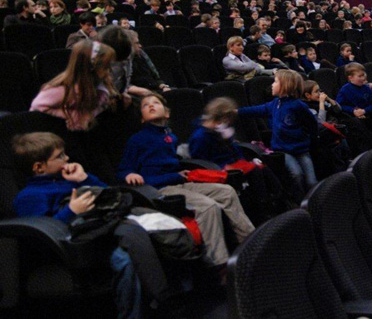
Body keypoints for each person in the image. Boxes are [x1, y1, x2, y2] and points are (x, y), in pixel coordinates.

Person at [11, 132, 160, 318]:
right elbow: (44, 232)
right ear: (39, 167)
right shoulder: (30, 196)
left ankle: (160, 302)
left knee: (146, 237)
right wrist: (71, 210)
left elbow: (108, 195)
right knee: (124, 259)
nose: (67, 158)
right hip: (73, 249)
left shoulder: (67, 180)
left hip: (100, 232)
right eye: (59, 156)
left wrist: (83, 178)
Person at [118, 93, 255, 268]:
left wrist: (179, 172)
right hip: (159, 188)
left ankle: (250, 243)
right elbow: (123, 169)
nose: (151, 105)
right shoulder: (137, 140)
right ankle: (219, 263)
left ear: (167, 113)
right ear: (142, 119)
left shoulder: (170, 137)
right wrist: (129, 174)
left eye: (156, 103)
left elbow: (173, 163)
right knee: (208, 207)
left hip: (179, 182)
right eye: (146, 105)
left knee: (227, 192)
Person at [188, 97, 287, 224]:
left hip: (233, 164)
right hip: (218, 169)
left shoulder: (221, 129)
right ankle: (263, 212)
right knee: (255, 172)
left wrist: (246, 160)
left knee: (263, 167)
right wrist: (223, 167)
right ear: (221, 117)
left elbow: (235, 151)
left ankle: (280, 202)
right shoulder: (200, 136)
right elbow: (202, 162)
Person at [238, 70, 318, 202]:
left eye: (275, 82)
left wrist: (309, 139)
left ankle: (315, 203)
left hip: (301, 150)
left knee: (312, 181)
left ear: (285, 85)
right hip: (283, 150)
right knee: (297, 174)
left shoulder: (298, 106)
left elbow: (312, 124)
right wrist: (236, 112)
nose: (272, 85)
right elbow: (256, 110)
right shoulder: (275, 104)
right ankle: (301, 203)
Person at [31, 40, 118, 131]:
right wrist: (72, 115)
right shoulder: (63, 89)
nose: (109, 71)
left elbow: (99, 106)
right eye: (105, 67)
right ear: (90, 68)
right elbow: (37, 106)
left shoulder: (100, 83)